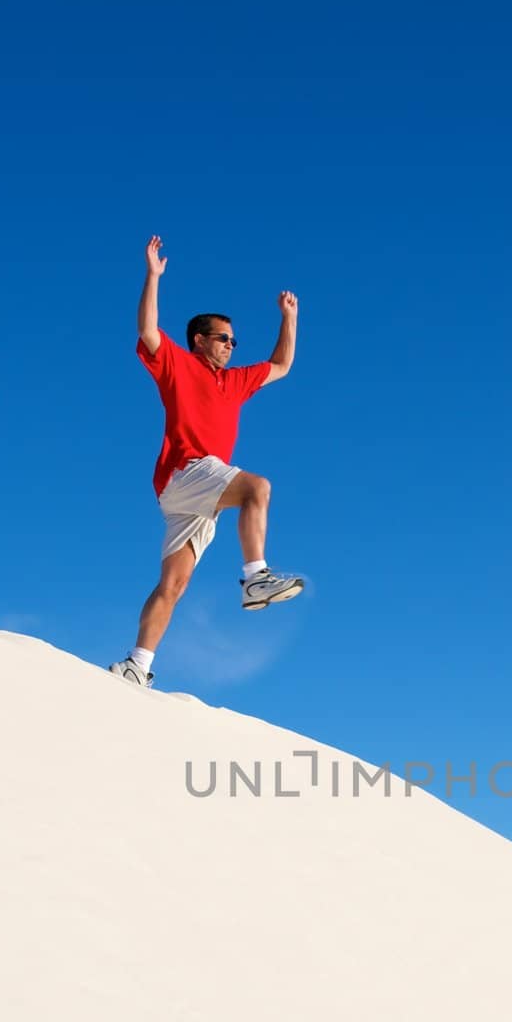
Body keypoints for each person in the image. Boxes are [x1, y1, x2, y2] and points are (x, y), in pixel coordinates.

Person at [110, 235, 305, 689]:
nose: (231, 346)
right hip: (186, 471)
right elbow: (148, 330)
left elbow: (281, 365)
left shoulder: (235, 381)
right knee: (258, 488)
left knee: (173, 584)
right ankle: (256, 578)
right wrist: (153, 277)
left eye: (235, 341)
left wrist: (289, 318)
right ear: (200, 340)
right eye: (223, 339)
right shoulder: (178, 363)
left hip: (198, 497)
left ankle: (137, 664)